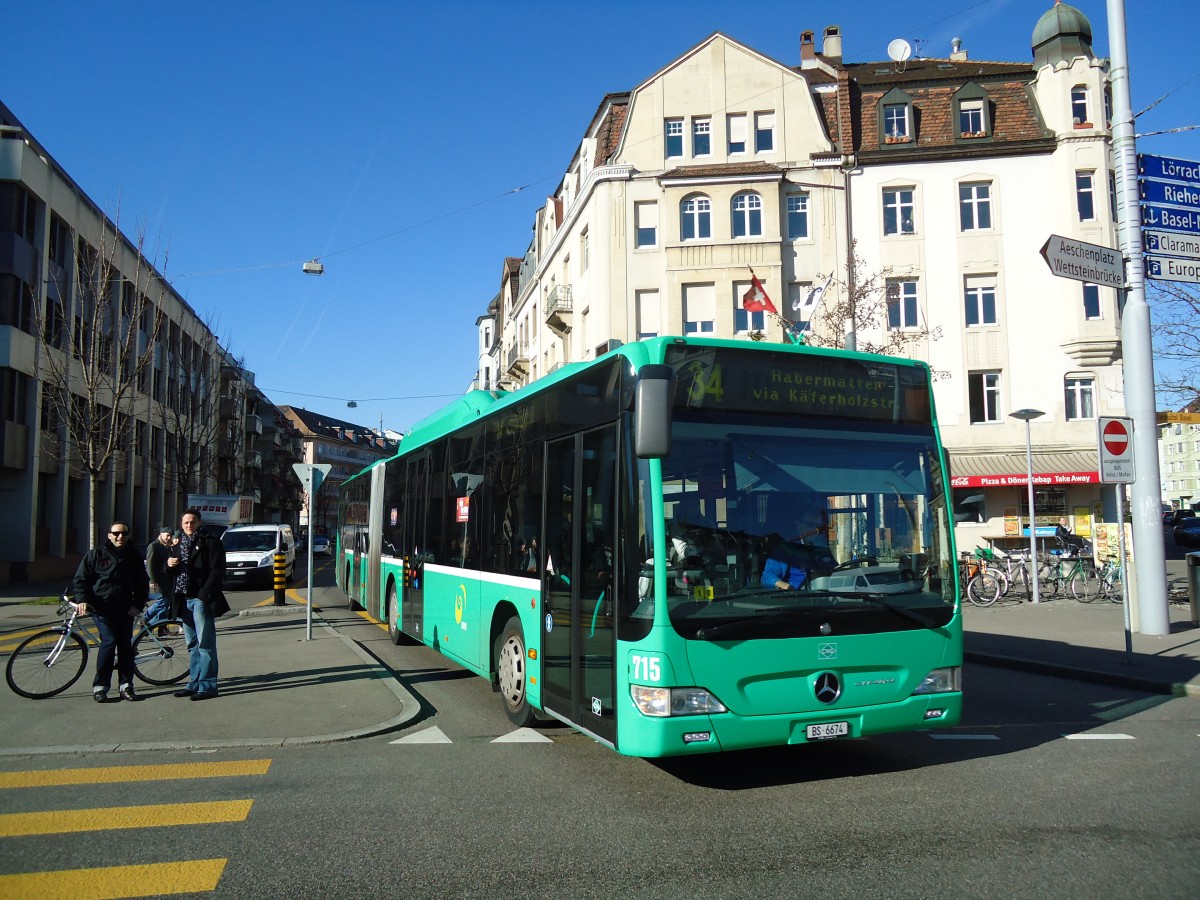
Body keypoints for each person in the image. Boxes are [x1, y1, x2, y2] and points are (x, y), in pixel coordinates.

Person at [72, 520, 150, 702]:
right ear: (109, 535)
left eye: (123, 533)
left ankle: (126, 686)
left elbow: (142, 583)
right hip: (101, 609)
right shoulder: (96, 554)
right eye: (116, 533)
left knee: (125, 647)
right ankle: (101, 687)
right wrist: (82, 600)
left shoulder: (134, 556)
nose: (120, 536)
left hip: (125, 610)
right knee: (109, 642)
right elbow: (81, 580)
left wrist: (137, 605)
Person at [166, 507, 229, 701]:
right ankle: (194, 683)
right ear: (181, 525)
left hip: (201, 599)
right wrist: (168, 565)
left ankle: (208, 686)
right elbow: (170, 573)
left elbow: (218, 570)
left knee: (205, 644)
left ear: (200, 523)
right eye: (186, 522)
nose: (189, 525)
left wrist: (204, 594)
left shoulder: (211, 542)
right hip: (183, 598)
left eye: (193, 522)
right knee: (192, 644)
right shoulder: (178, 544)